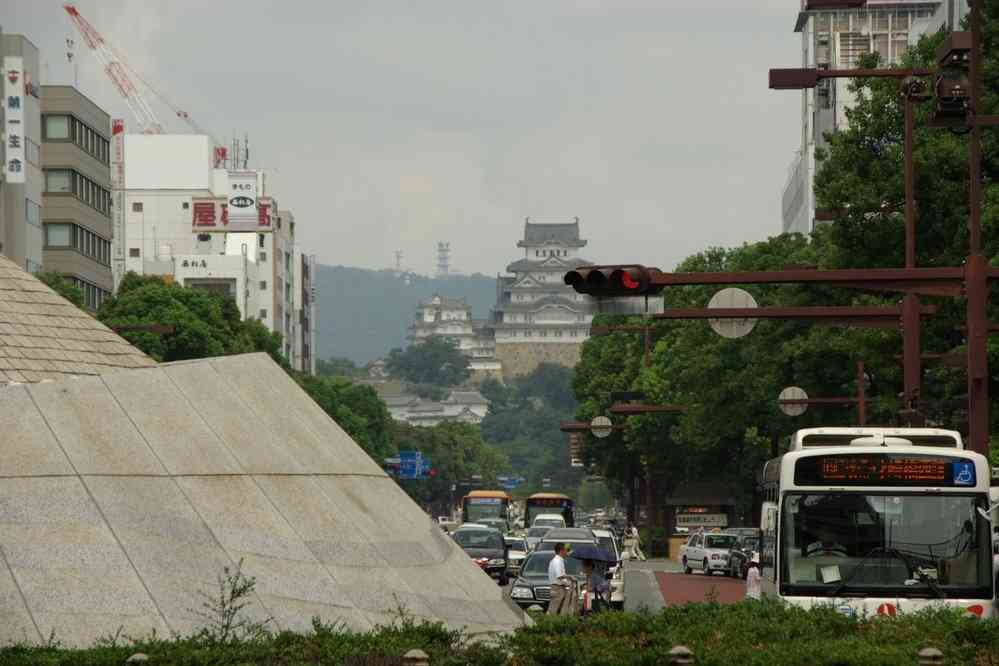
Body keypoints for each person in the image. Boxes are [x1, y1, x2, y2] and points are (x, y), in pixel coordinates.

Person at [547, 543, 576, 615]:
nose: (567, 552)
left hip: (559, 588)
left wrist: (568, 582)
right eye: (566, 550)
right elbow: (559, 575)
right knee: (553, 610)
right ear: (561, 551)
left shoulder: (558, 560)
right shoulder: (557, 561)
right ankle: (548, 624)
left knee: (558, 609)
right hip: (557, 588)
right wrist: (570, 577)